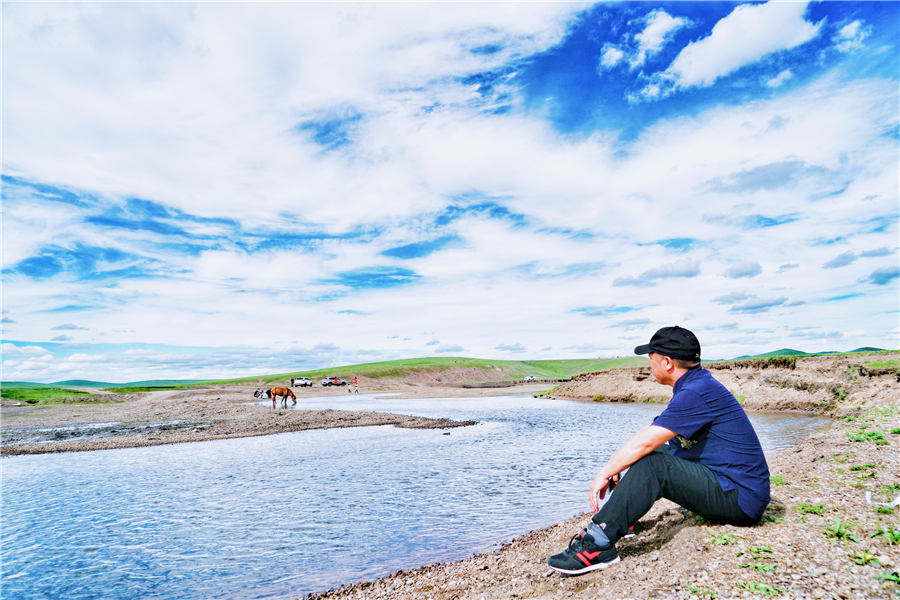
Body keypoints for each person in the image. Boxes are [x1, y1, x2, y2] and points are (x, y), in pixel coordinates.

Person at [547, 326, 770, 575]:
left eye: (650, 358)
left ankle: (597, 545)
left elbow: (646, 442)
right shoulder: (697, 385)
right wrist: (618, 463)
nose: (648, 365)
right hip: (732, 487)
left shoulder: (696, 391)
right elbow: (651, 432)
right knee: (652, 454)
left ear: (666, 362)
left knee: (653, 463)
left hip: (741, 499)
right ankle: (623, 518)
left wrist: (604, 472)